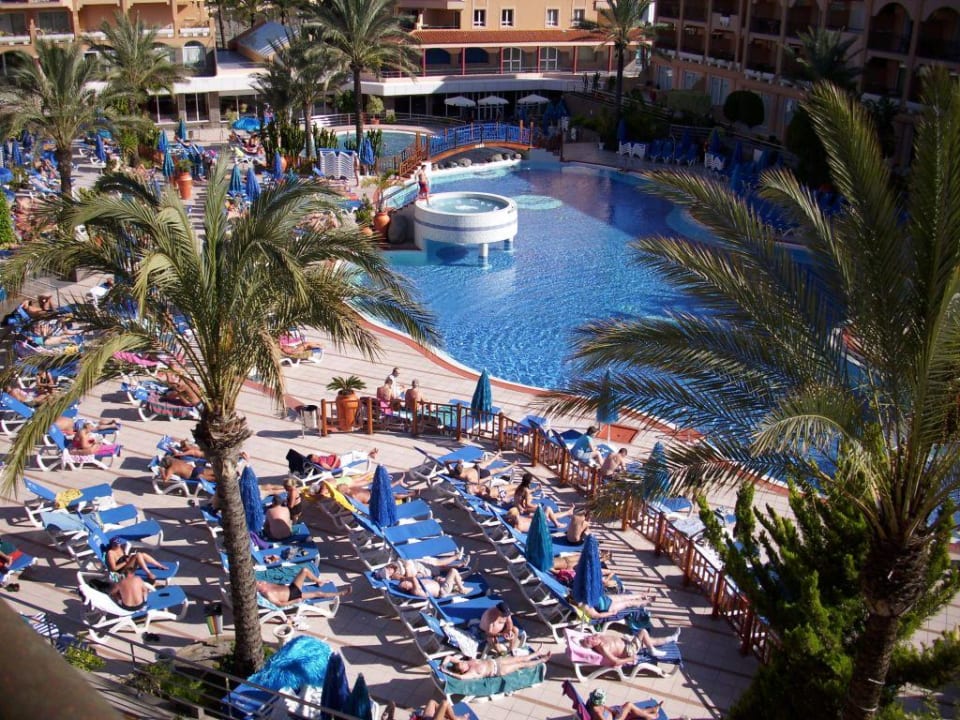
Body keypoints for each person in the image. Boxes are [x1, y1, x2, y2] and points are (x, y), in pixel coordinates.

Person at [255, 566, 352, 607]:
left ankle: (319, 581)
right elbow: (279, 604)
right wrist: (294, 601)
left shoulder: (265, 585)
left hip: (291, 588)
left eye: (259, 581)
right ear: (259, 590)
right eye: (259, 583)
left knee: (304, 570)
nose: (261, 582)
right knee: (318, 593)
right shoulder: (267, 593)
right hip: (293, 595)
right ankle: (340, 593)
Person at [580, 628, 681, 665]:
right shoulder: (603, 648)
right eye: (590, 640)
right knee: (643, 632)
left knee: (651, 641)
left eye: (590, 637)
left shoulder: (597, 638)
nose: (591, 637)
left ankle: (672, 638)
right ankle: (652, 651)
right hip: (630, 650)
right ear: (592, 645)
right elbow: (616, 661)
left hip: (627, 642)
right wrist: (631, 659)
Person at [443, 650, 550, 679]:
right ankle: (542, 660)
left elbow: (449, 657)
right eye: (462, 664)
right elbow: (461, 678)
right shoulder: (470, 673)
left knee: (519, 658)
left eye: (461, 662)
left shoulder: (466, 662)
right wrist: (448, 672)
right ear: (463, 671)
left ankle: (537, 653)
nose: (463, 662)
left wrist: (443, 665)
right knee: (520, 665)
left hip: (496, 661)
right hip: (498, 670)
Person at [574, 590, 656, 620]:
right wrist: (611, 613)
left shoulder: (583, 595)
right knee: (628, 603)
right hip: (608, 607)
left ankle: (642, 595)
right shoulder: (584, 605)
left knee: (626, 597)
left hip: (606, 598)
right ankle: (647, 601)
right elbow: (596, 615)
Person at [586, 688, 663, 720]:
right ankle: (649, 716)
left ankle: (650, 710)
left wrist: (611, 710)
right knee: (629, 705)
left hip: (613, 714)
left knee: (630, 710)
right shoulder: (597, 712)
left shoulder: (590, 702)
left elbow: (603, 707)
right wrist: (616, 714)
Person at [397, 567, 467, 598]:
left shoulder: (415, 584)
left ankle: (457, 583)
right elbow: (413, 578)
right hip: (443, 590)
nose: (406, 581)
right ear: (407, 588)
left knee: (452, 577)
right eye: (405, 583)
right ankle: (462, 588)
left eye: (405, 581)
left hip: (439, 583)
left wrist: (436, 579)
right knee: (453, 571)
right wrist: (404, 578)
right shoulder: (415, 590)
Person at [506, 505, 573, 531]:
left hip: (535, 519)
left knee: (551, 515)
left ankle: (568, 512)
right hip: (539, 523)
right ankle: (557, 524)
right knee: (548, 508)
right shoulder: (518, 526)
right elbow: (517, 531)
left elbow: (509, 516)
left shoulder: (514, 520)